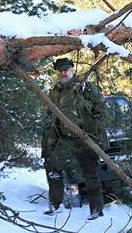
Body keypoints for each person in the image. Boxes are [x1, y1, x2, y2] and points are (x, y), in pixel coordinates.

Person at [41, 57, 108, 220]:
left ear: (72, 70)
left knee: (91, 176)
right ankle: (56, 205)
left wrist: (91, 134)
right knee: (53, 167)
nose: (63, 73)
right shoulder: (55, 90)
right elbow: (52, 114)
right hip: (65, 140)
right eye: (60, 70)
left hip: (85, 139)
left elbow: (101, 112)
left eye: (66, 70)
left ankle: (96, 210)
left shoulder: (85, 87)